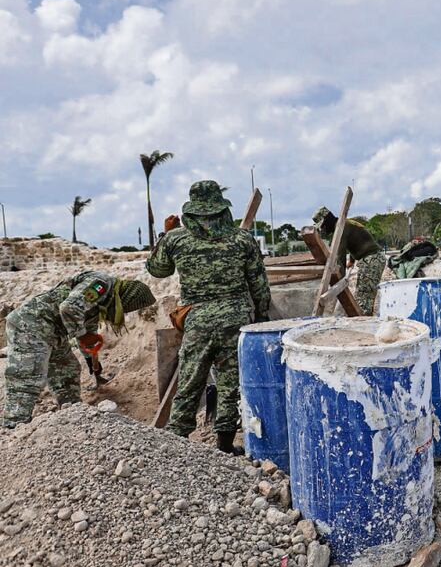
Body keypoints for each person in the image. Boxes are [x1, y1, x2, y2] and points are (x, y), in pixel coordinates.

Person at [147, 181, 271, 454]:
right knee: (230, 384)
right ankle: (225, 446)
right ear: (222, 208)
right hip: (236, 319)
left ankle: (178, 444)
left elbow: (157, 270)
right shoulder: (242, 240)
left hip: (198, 320)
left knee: (190, 381)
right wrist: (261, 316)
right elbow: (259, 285)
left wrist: (164, 235)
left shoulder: (176, 239)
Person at [2, 272, 156, 427]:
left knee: (67, 371)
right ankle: (13, 425)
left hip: (53, 332)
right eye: (127, 307)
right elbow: (68, 308)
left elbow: (88, 326)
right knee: (28, 378)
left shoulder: (106, 301)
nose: (125, 311)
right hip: (30, 325)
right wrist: (82, 336)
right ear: (127, 297)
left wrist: (90, 358)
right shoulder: (101, 284)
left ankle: (72, 416)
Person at [313, 207, 385, 316]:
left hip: (371, 260)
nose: (323, 229)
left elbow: (340, 256)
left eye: (323, 226)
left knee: (363, 299)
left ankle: (364, 326)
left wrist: (340, 281)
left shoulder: (340, 228)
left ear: (327, 220)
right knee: (365, 297)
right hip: (374, 258)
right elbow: (357, 240)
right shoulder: (346, 223)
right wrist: (351, 260)